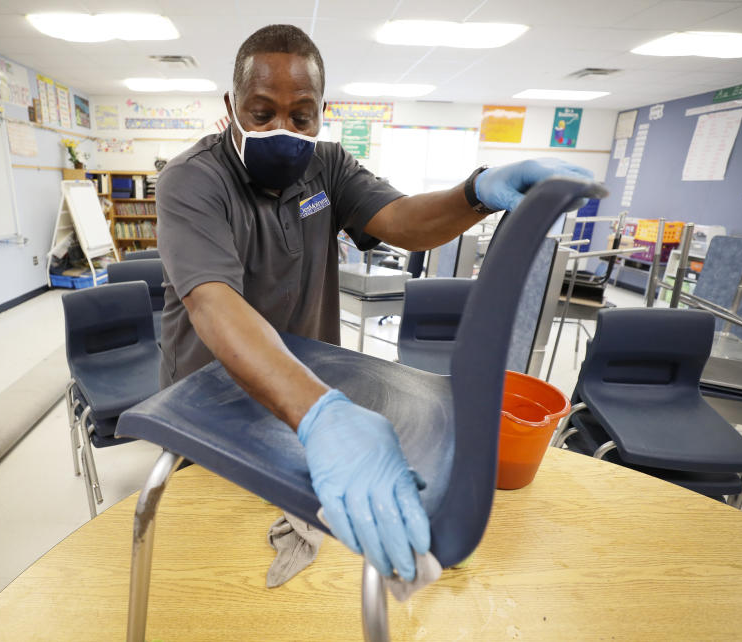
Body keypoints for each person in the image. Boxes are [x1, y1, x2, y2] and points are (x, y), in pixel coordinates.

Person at [156, 24, 593, 582]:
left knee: (316, 581)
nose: (282, 129)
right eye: (261, 113)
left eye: (302, 115)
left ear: (320, 113)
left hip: (303, 394)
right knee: (210, 564)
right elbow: (214, 304)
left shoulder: (328, 167)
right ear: (231, 106)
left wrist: (475, 192)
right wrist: (323, 414)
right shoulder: (191, 181)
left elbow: (405, 222)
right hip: (212, 404)